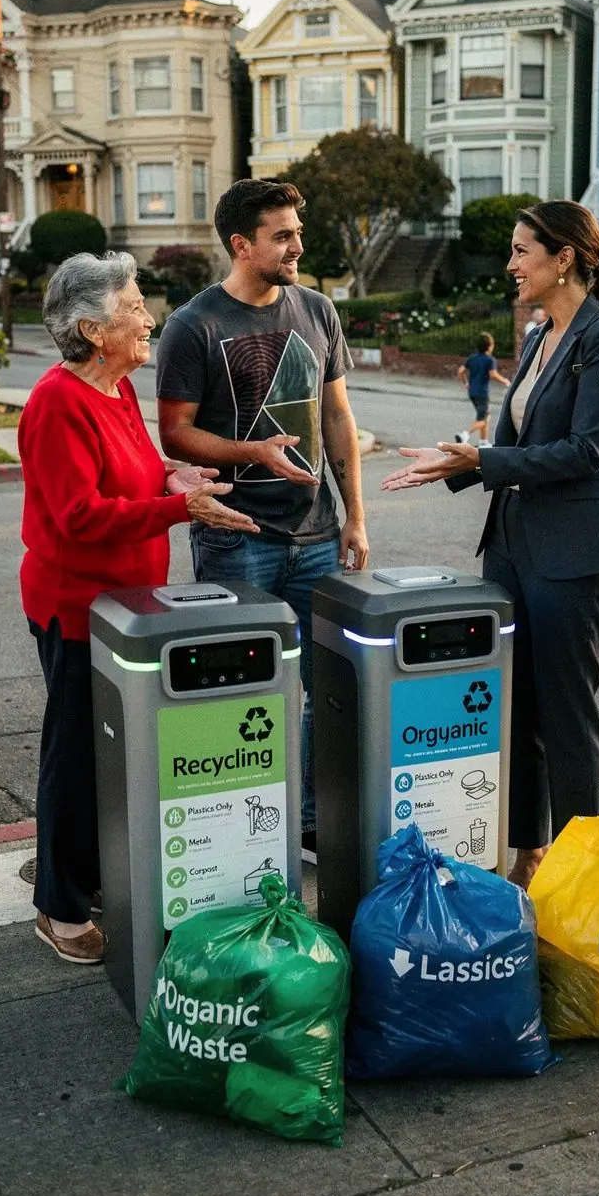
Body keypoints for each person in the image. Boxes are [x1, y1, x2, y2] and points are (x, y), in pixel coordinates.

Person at [382, 200, 599, 890]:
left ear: (565, 258)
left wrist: (484, 462)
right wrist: (457, 462)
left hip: (574, 551)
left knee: (566, 712)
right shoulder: (537, 337)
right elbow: (516, 443)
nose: (511, 264)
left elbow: (587, 451)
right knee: (517, 706)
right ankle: (530, 853)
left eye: (523, 250)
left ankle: (587, 875)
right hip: (513, 542)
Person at [18, 252, 257, 964]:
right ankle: (58, 908)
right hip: (75, 606)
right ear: (93, 330)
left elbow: (136, 468)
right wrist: (180, 509)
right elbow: (77, 518)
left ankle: (89, 876)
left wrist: (173, 476)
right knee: (74, 757)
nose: (149, 318)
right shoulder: (57, 402)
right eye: (133, 308)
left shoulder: (116, 388)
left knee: (111, 751)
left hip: (127, 605)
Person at [156, 179, 369, 861]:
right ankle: (242, 827)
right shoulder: (194, 325)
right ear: (241, 245)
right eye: (282, 236)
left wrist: (355, 517)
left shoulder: (317, 310)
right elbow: (175, 433)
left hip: (318, 537)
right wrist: (254, 452)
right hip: (236, 538)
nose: (297, 245)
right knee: (241, 692)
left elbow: (337, 416)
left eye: (297, 232)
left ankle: (307, 820)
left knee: (327, 686)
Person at [454, 331, 511, 446]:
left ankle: (483, 442)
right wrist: (505, 380)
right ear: (490, 346)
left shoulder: (472, 358)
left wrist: (466, 382)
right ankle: (465, 435)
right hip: (482, 393)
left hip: (472, 392)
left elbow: (461, 371)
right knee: (483, 419)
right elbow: (492, 374)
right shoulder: (490, 360)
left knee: (486, 416)